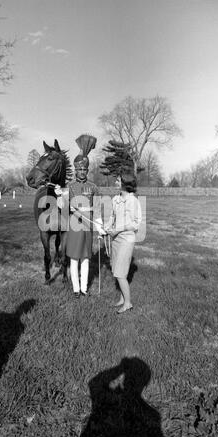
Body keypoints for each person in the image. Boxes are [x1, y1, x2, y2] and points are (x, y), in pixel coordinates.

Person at [65, 134, 105, 298]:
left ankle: (84, 288)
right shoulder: (70, 186)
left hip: (88, 227)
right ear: (75, 170)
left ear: (88, 170)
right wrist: (67, 205)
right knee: (74, 258)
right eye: (79, 169)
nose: (82, 172)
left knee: (86, 258)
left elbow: (97, 209)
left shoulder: (93, 187)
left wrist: (100, 227)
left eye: (84, 169)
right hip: (74, 226)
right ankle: (75, 289)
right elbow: (62, 207)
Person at [104, 172, 142, 314]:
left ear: (126, 183)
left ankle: (128, 303)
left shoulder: (133, 201)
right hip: (115, 239)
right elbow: (112, 216)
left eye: (118, 181)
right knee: (116, 268)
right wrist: (107, 227)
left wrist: (117, 230)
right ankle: (122, 298)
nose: (115, 182)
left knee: (120, 273)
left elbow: (135, 224)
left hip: (126, 239)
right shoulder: (115, 199)